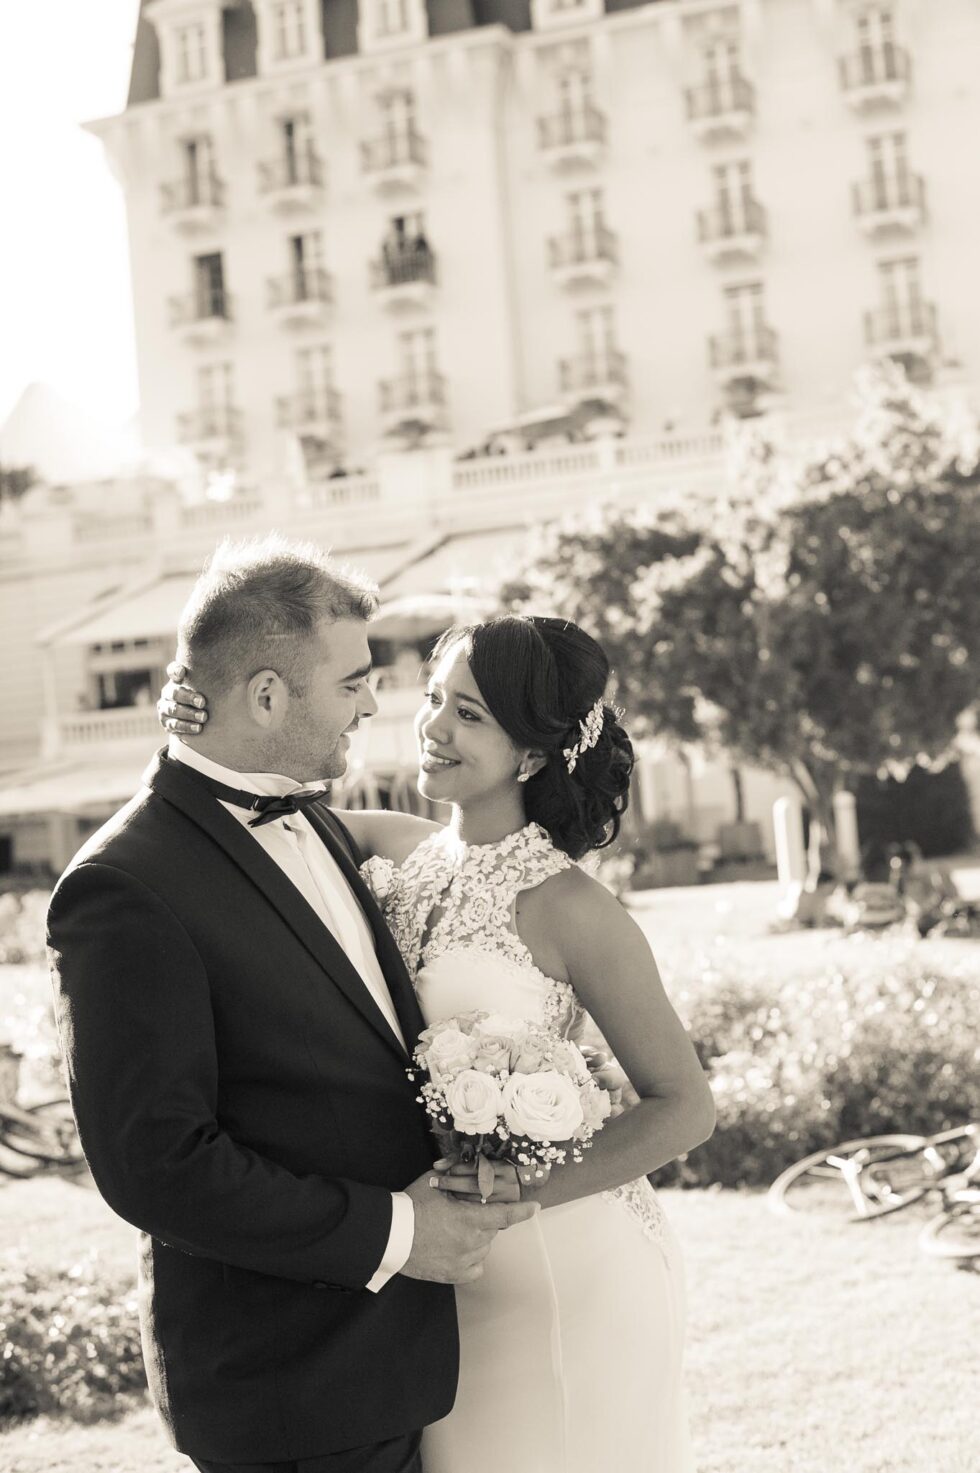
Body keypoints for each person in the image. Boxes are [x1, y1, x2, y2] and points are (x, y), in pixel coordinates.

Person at [161, 611, 716, 1472]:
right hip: (443, 1288)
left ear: (532, 755)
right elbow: (239, 818)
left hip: (572, 1274)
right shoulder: (398, 853)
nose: (433, 726)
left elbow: (685, 1107)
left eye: (470, 714)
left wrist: (515, 1186)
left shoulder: (573, 907)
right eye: (433, 699)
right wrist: (204, 722)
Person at [47, 536, 539, 1473]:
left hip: (388, 1367)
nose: (373, 699)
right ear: (268, 697)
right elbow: (156, 1164)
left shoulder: (307, 810)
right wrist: (401, 1232)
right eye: (354, 678)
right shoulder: (123, 888)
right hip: (289, 1390)